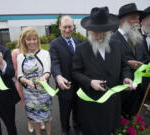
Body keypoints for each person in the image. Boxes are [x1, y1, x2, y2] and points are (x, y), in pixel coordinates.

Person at [72, 7, 134, 135]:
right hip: (91, 103)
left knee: (110, 130)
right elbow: (75, 72)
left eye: (103, 32)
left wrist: (126, 78)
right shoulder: (81, 49)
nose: (100, 35)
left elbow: (125, 66)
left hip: (112, 102)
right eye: (96, 32)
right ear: (90, 30)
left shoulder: (117, 45)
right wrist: (90, 82)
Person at [111, 3, 146, 117]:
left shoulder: (138, 38)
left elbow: (145, 58)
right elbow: (109, 65)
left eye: (138, 18)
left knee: (133, 121)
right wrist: (127, 64)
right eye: (134, 18)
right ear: (123, 21)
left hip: (138, 90)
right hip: (122, 91)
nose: (138, 21)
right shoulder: (112, 40)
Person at [49, 15, 82, 135]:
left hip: (79, 85)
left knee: (78, 109)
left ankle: (77, 125)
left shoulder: (79, 41)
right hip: (64, 84)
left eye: (70, 27)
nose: (67, 30)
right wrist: (58, 76)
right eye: (65, 27)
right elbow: (54, 62)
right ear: (59, 27)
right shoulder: (54, 44)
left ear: (73, 27)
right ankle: (65, 128)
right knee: (64, 110)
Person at [17, 26, 51, 135]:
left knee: (47, 116)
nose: (32, 42)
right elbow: (19, 75)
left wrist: (42, 79)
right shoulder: (20, 57)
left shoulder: (45, 53)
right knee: (34, 117)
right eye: (29, 39)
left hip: (43, 91)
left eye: (34, 39)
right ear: (24, 41)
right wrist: (27, 82)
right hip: (29, 93)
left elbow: (47, 71)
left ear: (37, 39)